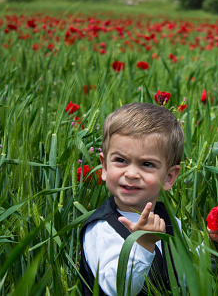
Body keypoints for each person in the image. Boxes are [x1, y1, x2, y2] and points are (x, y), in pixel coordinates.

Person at [79, 102, 184, 296]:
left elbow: (187, 273)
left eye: (146, 164)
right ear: (104, 167)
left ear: (169, 177)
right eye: (121, 160)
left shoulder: (170, 221)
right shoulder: (101, 229)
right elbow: (117, 289)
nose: (132, 173)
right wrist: (142, 244)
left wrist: (212, 247)